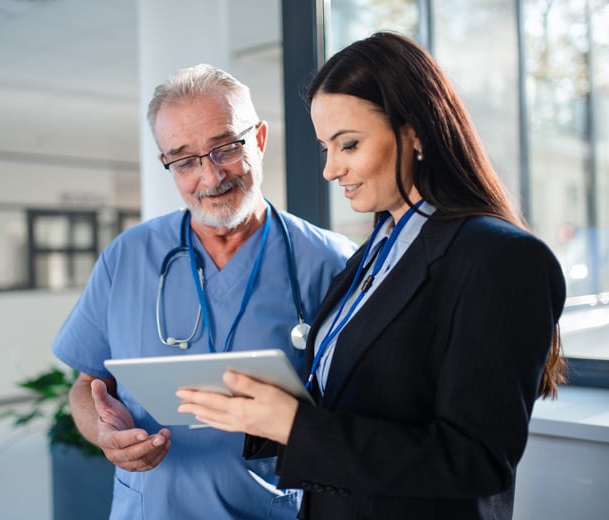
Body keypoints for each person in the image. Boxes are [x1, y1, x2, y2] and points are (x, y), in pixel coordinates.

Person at [177, 32, 567, 520]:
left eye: (349, 144)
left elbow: (476, 461)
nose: (329, 170)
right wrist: (266, 411)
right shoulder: (374, 254)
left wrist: (297, 426)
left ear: (416, 131)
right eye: (325, 148)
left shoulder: (499, 258)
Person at [51, 64, 356, 520]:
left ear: (259, 139)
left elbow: (360, 415)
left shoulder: (330, 262)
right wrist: (104, 433)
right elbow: (87, 384)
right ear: (167, 165)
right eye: (185, 161)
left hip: (273, 510)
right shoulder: (127, 257)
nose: (211, 178)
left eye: (225, 148)